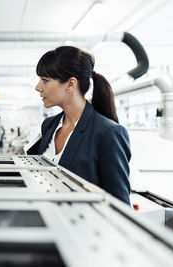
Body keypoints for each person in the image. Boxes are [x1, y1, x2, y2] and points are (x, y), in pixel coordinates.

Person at [28, 46, 131, 204]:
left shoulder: (109, 133)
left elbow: (120, 204)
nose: (38, 87)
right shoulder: (49, 125)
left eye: (45, 80)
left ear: (70, 84)